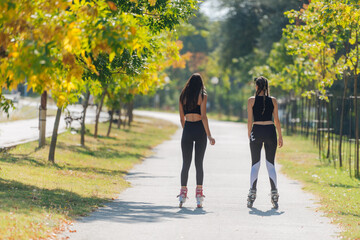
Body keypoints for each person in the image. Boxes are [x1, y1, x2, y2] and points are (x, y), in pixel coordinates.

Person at [178, 73, 216, 208]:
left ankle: (182, 194)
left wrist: (186, 130)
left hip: (187, 129)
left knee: (186, 163)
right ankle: (199, 196)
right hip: (200, 129)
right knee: (198, 163)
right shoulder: (202, 96)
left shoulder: (182, 96)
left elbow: (181, 118)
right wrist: (209, 135)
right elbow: (204, 116)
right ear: (200, 83)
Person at [247, 76, 283, 209]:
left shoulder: (251, 100)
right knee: (270, 164)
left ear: (256, 86)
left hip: (256, 130)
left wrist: (249, 134)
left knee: (255, 164)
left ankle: (252, 192)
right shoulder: (273, 100)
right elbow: (277, 120)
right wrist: (280, 136)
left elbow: (250, 121)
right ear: (267, 87)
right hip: (270, 131)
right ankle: (274, 193)